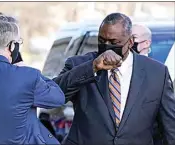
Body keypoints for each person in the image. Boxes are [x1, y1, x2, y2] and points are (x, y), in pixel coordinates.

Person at [53, 13, 175, 145]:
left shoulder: (157, 73)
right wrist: (92, 68)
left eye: (114, 42)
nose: (106, 46)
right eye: (101, 41)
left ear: (130, 42)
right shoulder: (80, 65)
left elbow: (170, 127)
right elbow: (53, 95)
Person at [0, 15, 65, 144]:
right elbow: (58, 98)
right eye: (18, 42)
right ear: (11, 46)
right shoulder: (28, 77)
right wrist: (26, 69)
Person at [132, 24, 163, 145]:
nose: (129, 42)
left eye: (133, 37)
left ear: (146, 43)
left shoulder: (158, 72)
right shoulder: (115, 67)